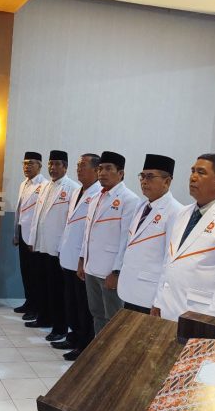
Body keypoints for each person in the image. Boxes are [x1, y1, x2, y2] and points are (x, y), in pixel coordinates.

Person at [153, 154, 215, 321]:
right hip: (168, 306)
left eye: (201, 172)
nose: (193, 177)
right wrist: (158, 301)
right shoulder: (183, 213)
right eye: (192, 171)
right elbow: (169, 260)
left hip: (200, 313)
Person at [78, 151, 140, 335]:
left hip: (109, 270)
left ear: (120, 173)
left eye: (108, 169)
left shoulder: (129, 199)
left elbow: (126, 239)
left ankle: (111, 352)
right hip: (91, 266)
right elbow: (87, 231)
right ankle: (98, 349)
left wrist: (116, 272)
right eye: (100, 169)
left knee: (113, 319)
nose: (102, 173)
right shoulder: (96, 196)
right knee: (96, 313)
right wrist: (82, 259)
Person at [118, 154, 184, 314]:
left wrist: (160, 300)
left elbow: (170, 261)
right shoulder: (142, 206)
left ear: (167, 182)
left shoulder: (176, 211)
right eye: (142, 176)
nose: (144, 181)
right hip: (130, 286)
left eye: (150, 177)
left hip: (150, 294)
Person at [25, 151, 80, 341]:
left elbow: (70, 221)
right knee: (43, 285)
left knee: (58, 290)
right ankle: (44, 318)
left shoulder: (73, 188)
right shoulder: (45, 186)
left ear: (65, 167)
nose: (52, 168)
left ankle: (60, 328)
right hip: (42, 244)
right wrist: (32, 239)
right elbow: (37, 215)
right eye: (50, 164)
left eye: (57, 164)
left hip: (58, 248)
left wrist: (64, 246)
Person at [54, 154, 101, 360]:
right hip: (68, 255)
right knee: (71, 302)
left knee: (84, 306)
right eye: (78, 166)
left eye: (83, 166)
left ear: (96, 170)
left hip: (83, 260)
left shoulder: (98, 194)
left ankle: (84, 344)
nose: (79, 169)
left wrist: (83, 257)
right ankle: (73, 336)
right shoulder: (76, 192)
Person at [12, 151, 47, 319]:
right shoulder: (23, 184)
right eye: (25, 163)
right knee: (25, 270)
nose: (27, 167)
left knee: (35, 273)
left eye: (31, 163)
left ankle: (36, 307)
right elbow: (19, 210)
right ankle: (28, 301)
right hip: (21, 231)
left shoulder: (44, 185)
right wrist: (15, 233)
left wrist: (34, 237)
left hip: (34, 235)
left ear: (39, 166)